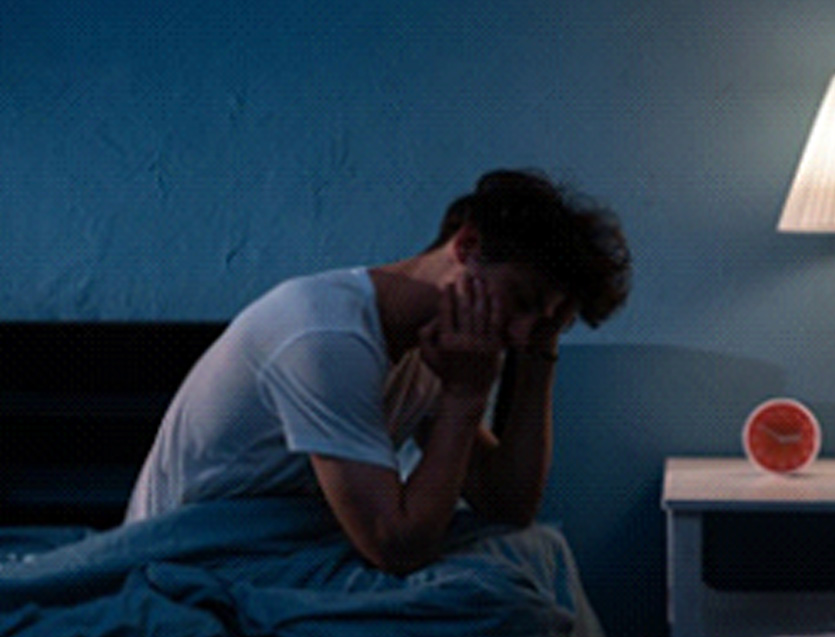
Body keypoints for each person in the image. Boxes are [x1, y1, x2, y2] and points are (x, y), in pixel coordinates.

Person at [124, 169, 631, 575]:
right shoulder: (325, 338)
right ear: (467, 246)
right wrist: (464, 397)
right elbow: (397, 548)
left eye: (542, 324)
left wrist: (542, 354)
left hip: (283, 547)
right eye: (521, 300)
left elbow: (508, 504)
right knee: (489, 600)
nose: (520, 334)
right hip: (189, 556)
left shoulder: (443, 344)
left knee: (533, 554)